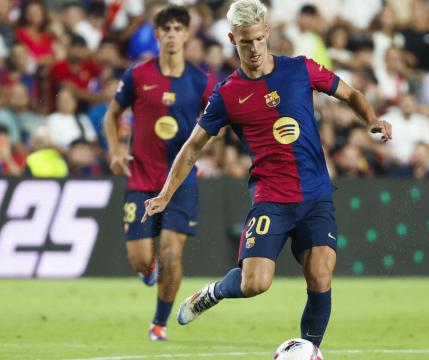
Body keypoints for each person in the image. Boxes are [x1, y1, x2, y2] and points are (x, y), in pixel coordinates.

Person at [142, 0, 392, 348]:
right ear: (232, 39)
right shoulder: (228, 93)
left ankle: (308, 351)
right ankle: (212, 293)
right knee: (254, 283)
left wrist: (372, 121)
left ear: (267, 33)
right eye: (245, 42)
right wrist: (165, 195)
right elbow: (194, 146)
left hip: (316, 194)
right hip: (271, 198)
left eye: (259, 39)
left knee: (320, 275)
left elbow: (349, 94)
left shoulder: (300, 69)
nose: (254, 48)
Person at [102, 6, 214, 342]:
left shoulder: (200, 80)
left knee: (170, 252)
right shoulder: (137, 76)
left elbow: (218, 120)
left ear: (186, 34)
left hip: (179, 182)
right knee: (140, 259)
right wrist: (116, 149)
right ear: (157, 34)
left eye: (178, 28)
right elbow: (111, 116)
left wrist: (211, 138)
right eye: (166, 28)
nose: (171, 34)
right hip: (140, 178)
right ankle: (147, 270)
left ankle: (159, 322)